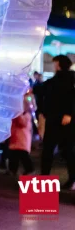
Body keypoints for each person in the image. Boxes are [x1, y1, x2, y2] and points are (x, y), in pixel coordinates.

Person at [39, 54, 75, 188]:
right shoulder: (58, 79)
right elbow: (45, 88)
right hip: (55, 118)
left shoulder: (69, 79)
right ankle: (46, 179)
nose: (54, 66)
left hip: (63, 120)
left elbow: (71, 97)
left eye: (55, 63)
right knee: (63, 150)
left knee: (64, 151)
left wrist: (69, 113)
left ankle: (47, 179)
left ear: (59, 64)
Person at [8, 91, 35, 176]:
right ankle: (13, 169)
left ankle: (29, 169)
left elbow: (22, 123)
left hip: (22, 138)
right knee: (14, 155)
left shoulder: (27, 115)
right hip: (16, 137)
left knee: (23, 155)